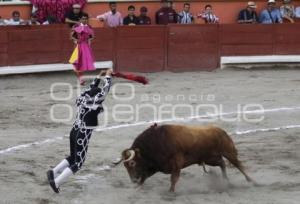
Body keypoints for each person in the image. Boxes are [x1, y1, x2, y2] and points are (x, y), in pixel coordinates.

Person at [47, 68, 113, 193]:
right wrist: (108, 77)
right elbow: (104, 92)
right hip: (82, 134)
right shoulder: (94, 101)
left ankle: (53, 172)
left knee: (73, 157)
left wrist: (99, 77)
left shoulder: (83, 96)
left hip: (74, 130)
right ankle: (56, 182)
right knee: (78, 163)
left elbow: (92, 88)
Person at [70, 13, 95, 85]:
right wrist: (75, 40)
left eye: (86, 19)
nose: (84, 20)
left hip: (86, 46)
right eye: (83, 19)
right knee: (76, 62)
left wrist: (89, 41)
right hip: (78, 46)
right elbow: (72, 36)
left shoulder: (89, 26)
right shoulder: (76, 26)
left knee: (82, 62)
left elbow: (92, 36)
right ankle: (80, 79)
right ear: (80, 19)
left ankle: (81, 78)